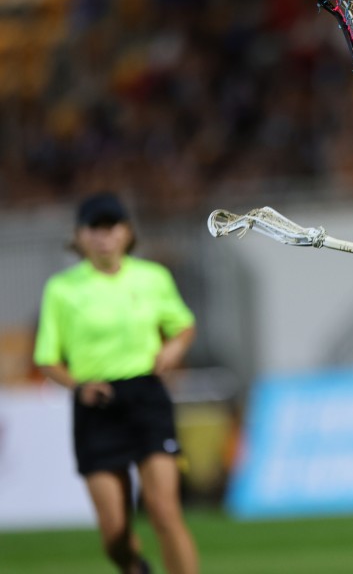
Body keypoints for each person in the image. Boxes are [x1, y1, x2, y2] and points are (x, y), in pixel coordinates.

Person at [33, 192, 199, 574]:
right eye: (95, 229)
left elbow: (183, 325)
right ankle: (136, 567)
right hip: (97, 402)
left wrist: (173, 350)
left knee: (164, 510)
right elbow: (47, 358)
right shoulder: (63, 289)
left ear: (127, 233)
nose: (104, 237)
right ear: (79, 236)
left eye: (112, 228)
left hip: (145, 395)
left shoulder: (152, 277)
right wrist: (77, 386)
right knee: (115, 534)